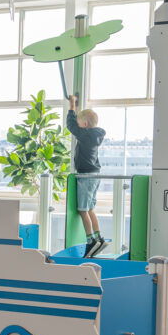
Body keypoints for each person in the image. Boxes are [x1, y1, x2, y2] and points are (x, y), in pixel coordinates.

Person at [67, 95, 107, 257]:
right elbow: (75, 126)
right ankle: (99, 237)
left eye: (80, 125)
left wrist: (71, 106)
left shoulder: (85, 135)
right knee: (90, 208)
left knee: (83, 210)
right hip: (95, 174)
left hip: (85, 176)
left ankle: (90, 240)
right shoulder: (95, 135)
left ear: (84, 125)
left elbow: (71, 126)